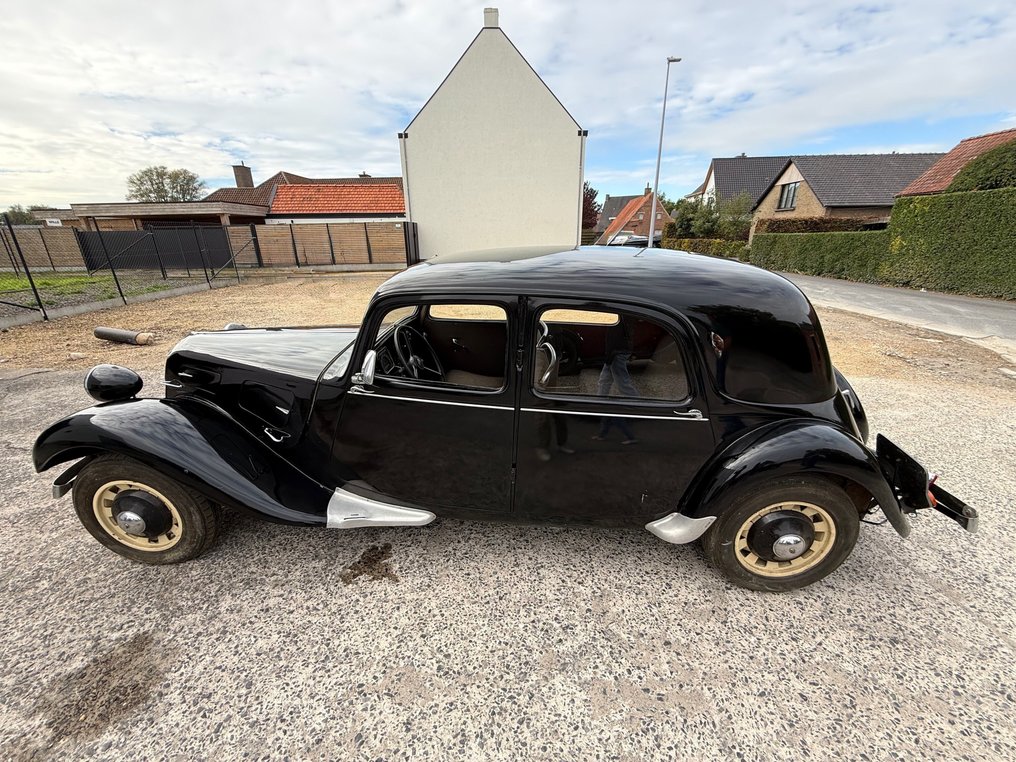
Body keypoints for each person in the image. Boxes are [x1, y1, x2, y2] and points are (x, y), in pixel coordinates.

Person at [594, 315, 639, 444]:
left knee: (622, 383)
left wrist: (609, 357)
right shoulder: (624, 315)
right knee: (605, 380)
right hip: (618, 351)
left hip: (616, 353)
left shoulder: (616, 317)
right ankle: (599, 403)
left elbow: (614, 338)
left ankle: (639, 405)